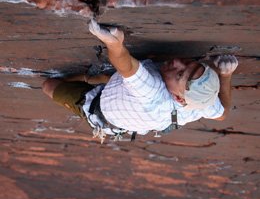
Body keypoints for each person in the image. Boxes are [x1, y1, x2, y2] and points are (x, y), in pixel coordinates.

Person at [42, 19, 238, 142]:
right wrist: (226, 75)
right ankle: (95, 78)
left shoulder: (152, 92)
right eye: (189, 63)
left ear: (179, 99)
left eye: (180, 74)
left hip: (100, 109)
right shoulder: (201, 104)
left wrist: (114, 44)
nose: (178, 61)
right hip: (129, 100)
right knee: (117, 78)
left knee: (49, 85)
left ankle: (91, 81)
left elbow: (125, 65)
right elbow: (223, 113)